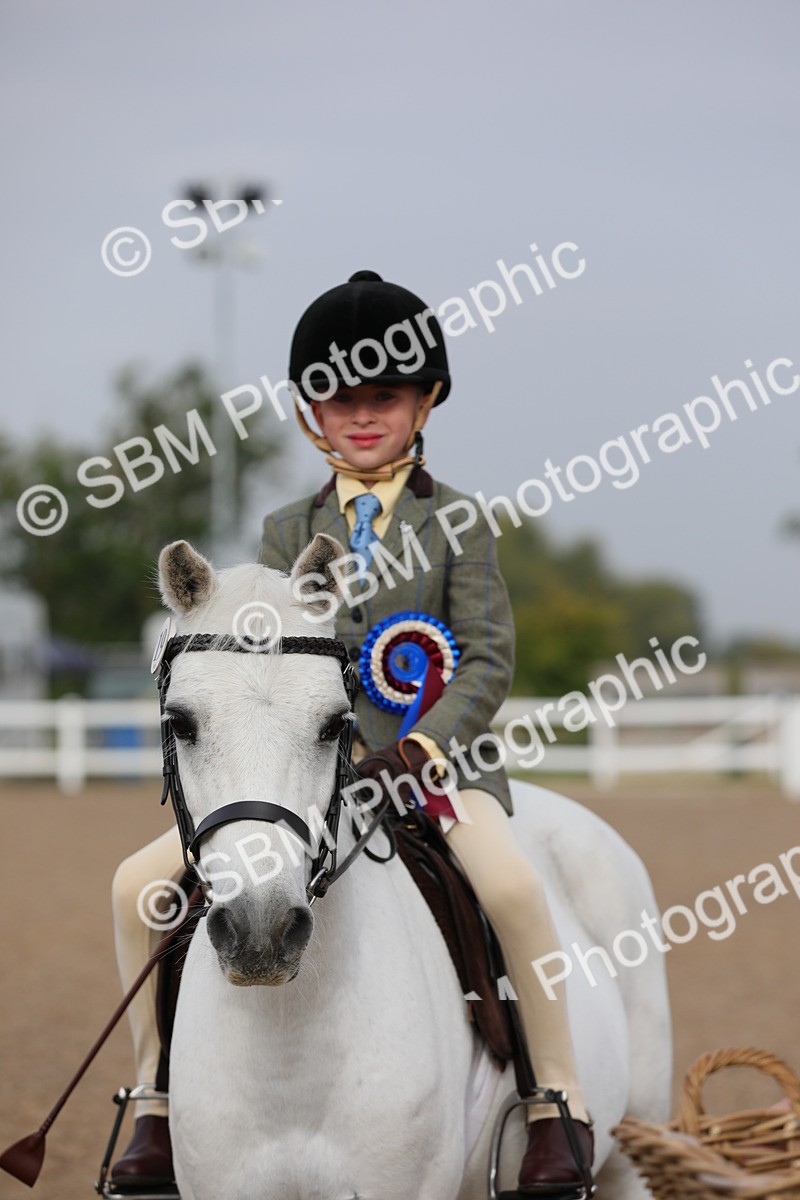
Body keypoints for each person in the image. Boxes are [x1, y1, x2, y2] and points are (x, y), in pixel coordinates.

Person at [110, 270, 593, 1195]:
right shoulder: (285, 526)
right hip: (300, 774)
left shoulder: (456, 522)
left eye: (386, 399)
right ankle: (156, 1106)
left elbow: (487, 659)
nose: (362, 418)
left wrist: (419, 746)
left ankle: (553, 1107)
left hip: (434, 772)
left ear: (425, 403)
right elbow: (256, 663)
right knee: (137, 887)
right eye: (340, 401)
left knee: (516, 888)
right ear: (309, 416)